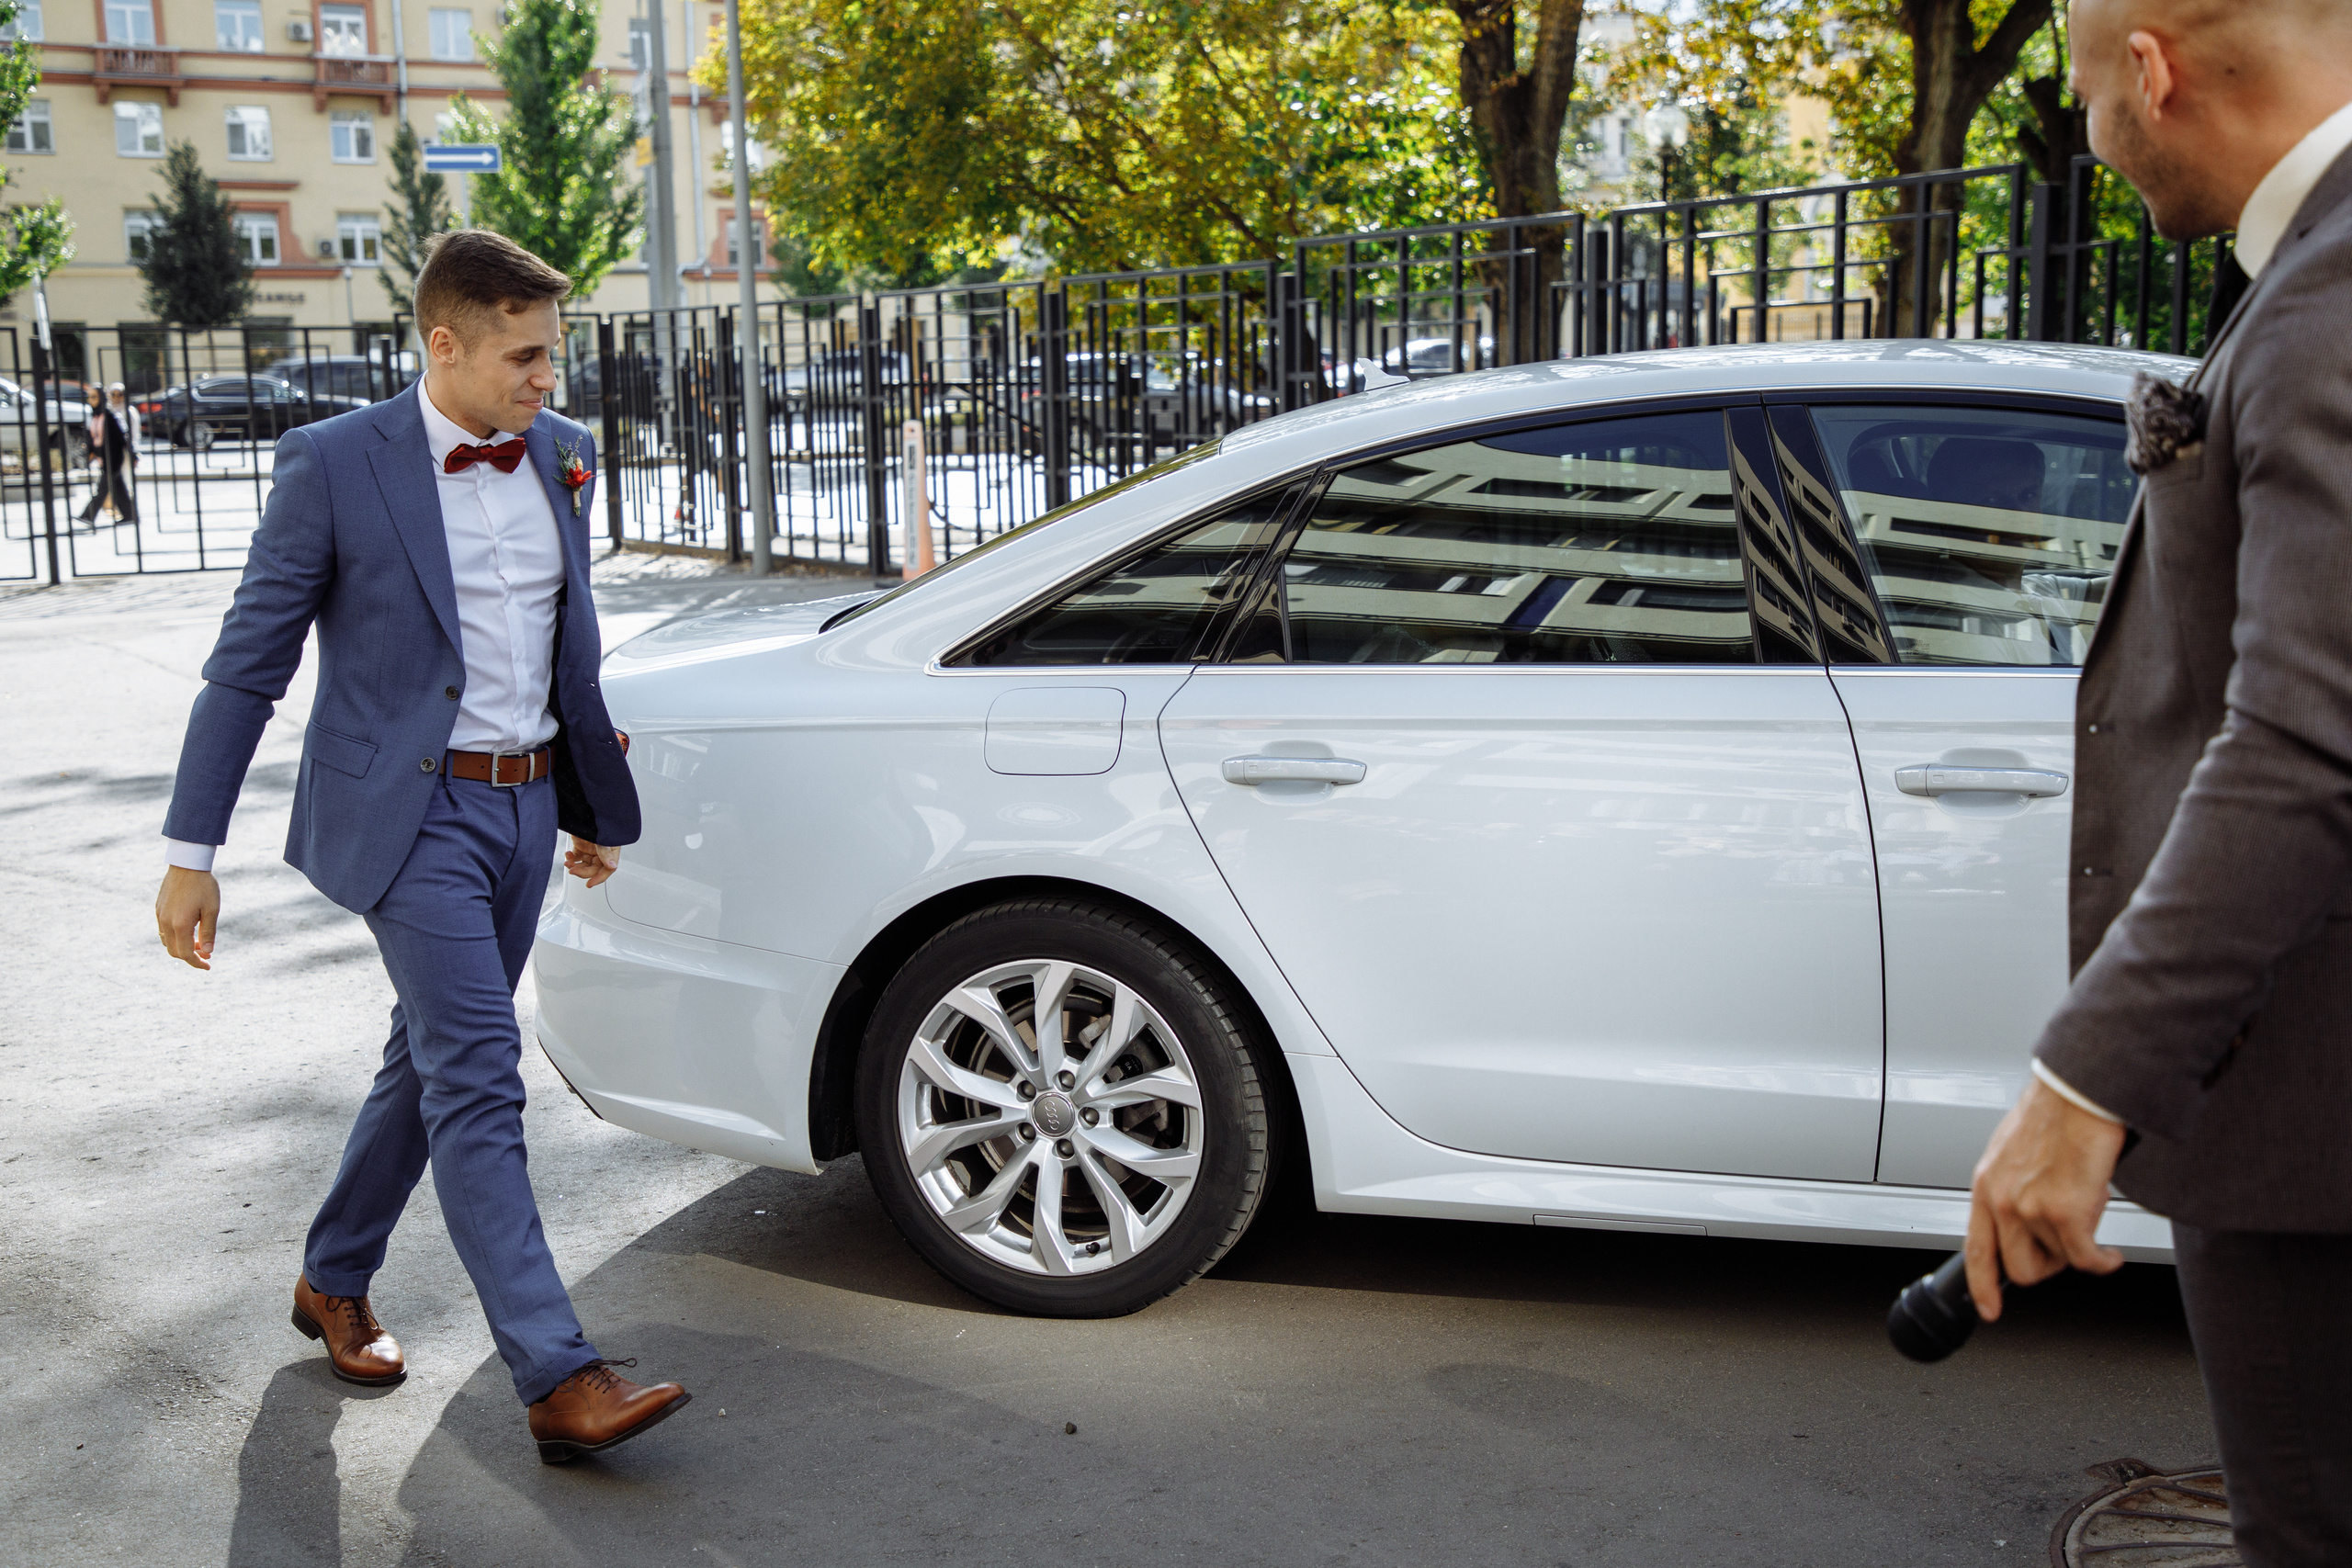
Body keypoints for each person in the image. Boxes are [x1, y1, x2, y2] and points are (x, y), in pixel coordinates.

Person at [153, 230, 693, 1464]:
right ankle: (559, 1372)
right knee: (477, 1071)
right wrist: (193, 846)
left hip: (520, 802)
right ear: (442, 344)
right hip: (407, 815)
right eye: (525, 355)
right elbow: (249, 662)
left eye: (552, 354)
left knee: (427, 1055)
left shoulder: (563, 455)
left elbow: (568, 647)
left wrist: (587, 803)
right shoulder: (333, 464)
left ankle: (332, 1275)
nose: (547, 379)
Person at [1966, 2, 2352, 1562]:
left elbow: (2305, 740)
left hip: (2318, 1125)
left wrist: (2082, 1088)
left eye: (2080, 85)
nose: (2094, 136)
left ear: (2152, 69)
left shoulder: (2330, 310)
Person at [77, 382, 140, 526]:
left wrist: (133, 454)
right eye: (89, 397)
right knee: (118, 488)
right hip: (104, 459)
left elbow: (122, 437)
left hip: (114, 458)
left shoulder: (110, 416)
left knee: (103, 488)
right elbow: (94, 439)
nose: (90, 400)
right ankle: (130, 515)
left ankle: (88, 515)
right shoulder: (96, 416)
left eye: (94, 397)